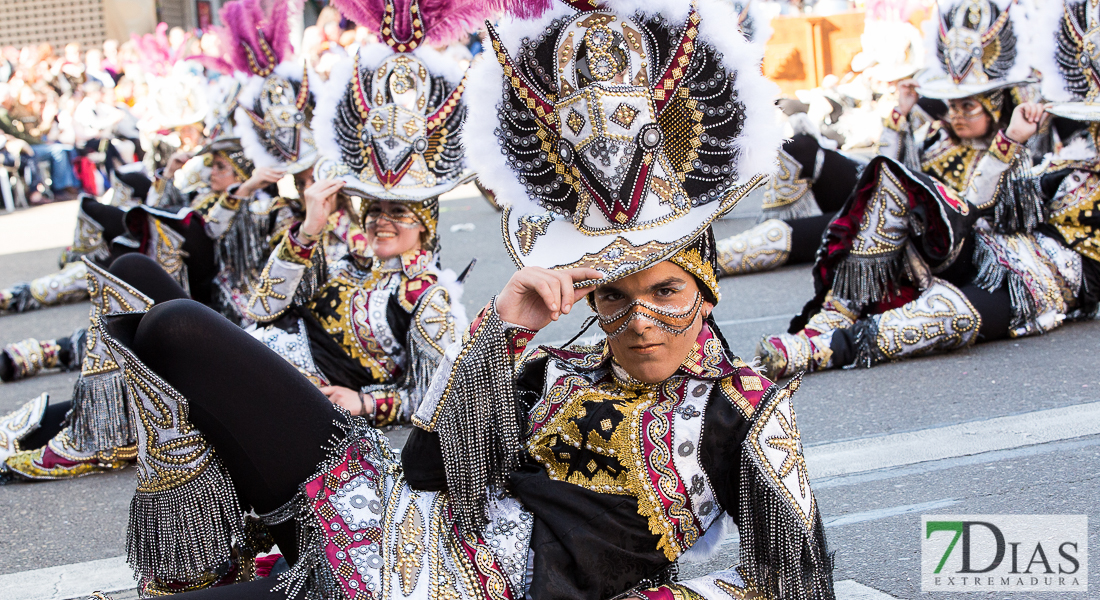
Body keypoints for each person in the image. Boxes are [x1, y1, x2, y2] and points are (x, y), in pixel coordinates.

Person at [86, 1, 833, 598]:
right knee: (160, 312)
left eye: (665, 291)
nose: (639, 321)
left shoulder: (743, 405)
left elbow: (791, 582)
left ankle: (201, 563)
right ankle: (198, 546)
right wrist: (503, 331)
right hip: (388, 518)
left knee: (177, 323)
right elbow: (423, 470)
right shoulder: (558, 371)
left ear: (706, 292)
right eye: (612, 295)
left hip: (451, 586)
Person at [755, 0, 1085, 378]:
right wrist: (900, 115)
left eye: (968, 107)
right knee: (866, 179)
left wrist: (1011, 141)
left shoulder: (1046, 150)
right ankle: (825, 321)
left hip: (1029, 277)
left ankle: (822, 349)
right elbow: (893, 176)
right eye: (953, 106)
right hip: (944, 240)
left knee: (951, 311)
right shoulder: (946, 141)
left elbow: (983, 207)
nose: (956, 114)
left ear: (995, 105)